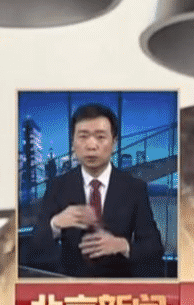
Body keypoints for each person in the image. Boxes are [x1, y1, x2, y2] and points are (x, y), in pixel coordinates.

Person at [30, 104, 164, 278]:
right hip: (71, 286)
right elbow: (34, 246)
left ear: (114, 142)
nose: (91, 145)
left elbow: (154, 247)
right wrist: (56, 223)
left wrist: (123, 245)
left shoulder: (134, 188)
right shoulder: (58, 186)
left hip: (118, 286)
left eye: (100, 137)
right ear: (73, 143)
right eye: (83, 136)